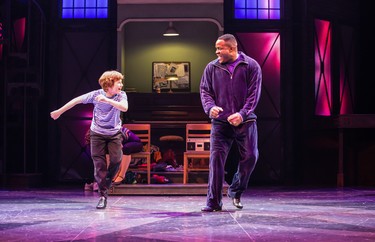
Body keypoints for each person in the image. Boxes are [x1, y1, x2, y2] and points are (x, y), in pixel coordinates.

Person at [200, 34, 262, 212]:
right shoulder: (212, 67)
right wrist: (210, 107)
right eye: (216, 48)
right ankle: (213, 202)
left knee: (251, 156)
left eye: (220, 48)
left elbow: (254, 94)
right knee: (216, 161)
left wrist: (242, 114)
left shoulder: (251, 65)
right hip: (220, 122)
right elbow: (205, 91)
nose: (217, 51)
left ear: (232, 49)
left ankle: (235, 189)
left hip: (245, 120)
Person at [50, 70, 128, 209]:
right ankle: (103, 196)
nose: (121, 84)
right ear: (109, 84)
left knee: (116, 160)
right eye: (118, 82)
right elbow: (76, 100)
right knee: (99, 165)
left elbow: (124, 107)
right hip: (97, 133)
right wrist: (59, 112)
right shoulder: (96, 95)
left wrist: (107, 100)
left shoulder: (121, 95)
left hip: (114, 133)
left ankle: (106, 182)